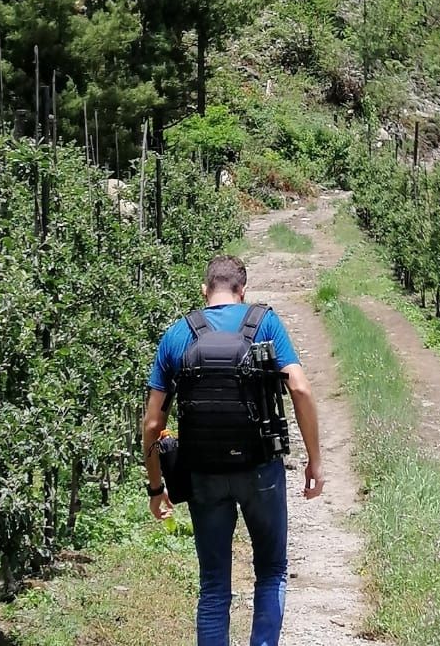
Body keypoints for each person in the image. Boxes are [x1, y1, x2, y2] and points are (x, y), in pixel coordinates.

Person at [142, 253, 324, 646]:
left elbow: (154, 423)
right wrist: (314, 461)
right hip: (260, 470)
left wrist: (156, 489)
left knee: (213, 587)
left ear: (205, 290)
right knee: (272, 570)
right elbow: (301, 389)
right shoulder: (264, 323)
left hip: (203, 474)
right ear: (242, 291)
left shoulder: (178, 334)